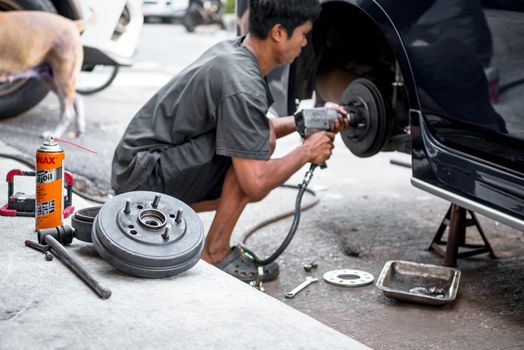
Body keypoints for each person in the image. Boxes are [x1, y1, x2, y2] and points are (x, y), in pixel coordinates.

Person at [111, 0, 348, 282]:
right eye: (303, 33)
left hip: (138, 167)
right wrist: (307, 150)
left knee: (258, 140)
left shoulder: (236, 52)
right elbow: (255, 183)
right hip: (142, 179)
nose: (306, 42)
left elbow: (252, 126)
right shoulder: (243, 82)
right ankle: (214, 252)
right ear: (278, 33)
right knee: (252, 158)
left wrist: (304, 120)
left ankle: (201, 239)